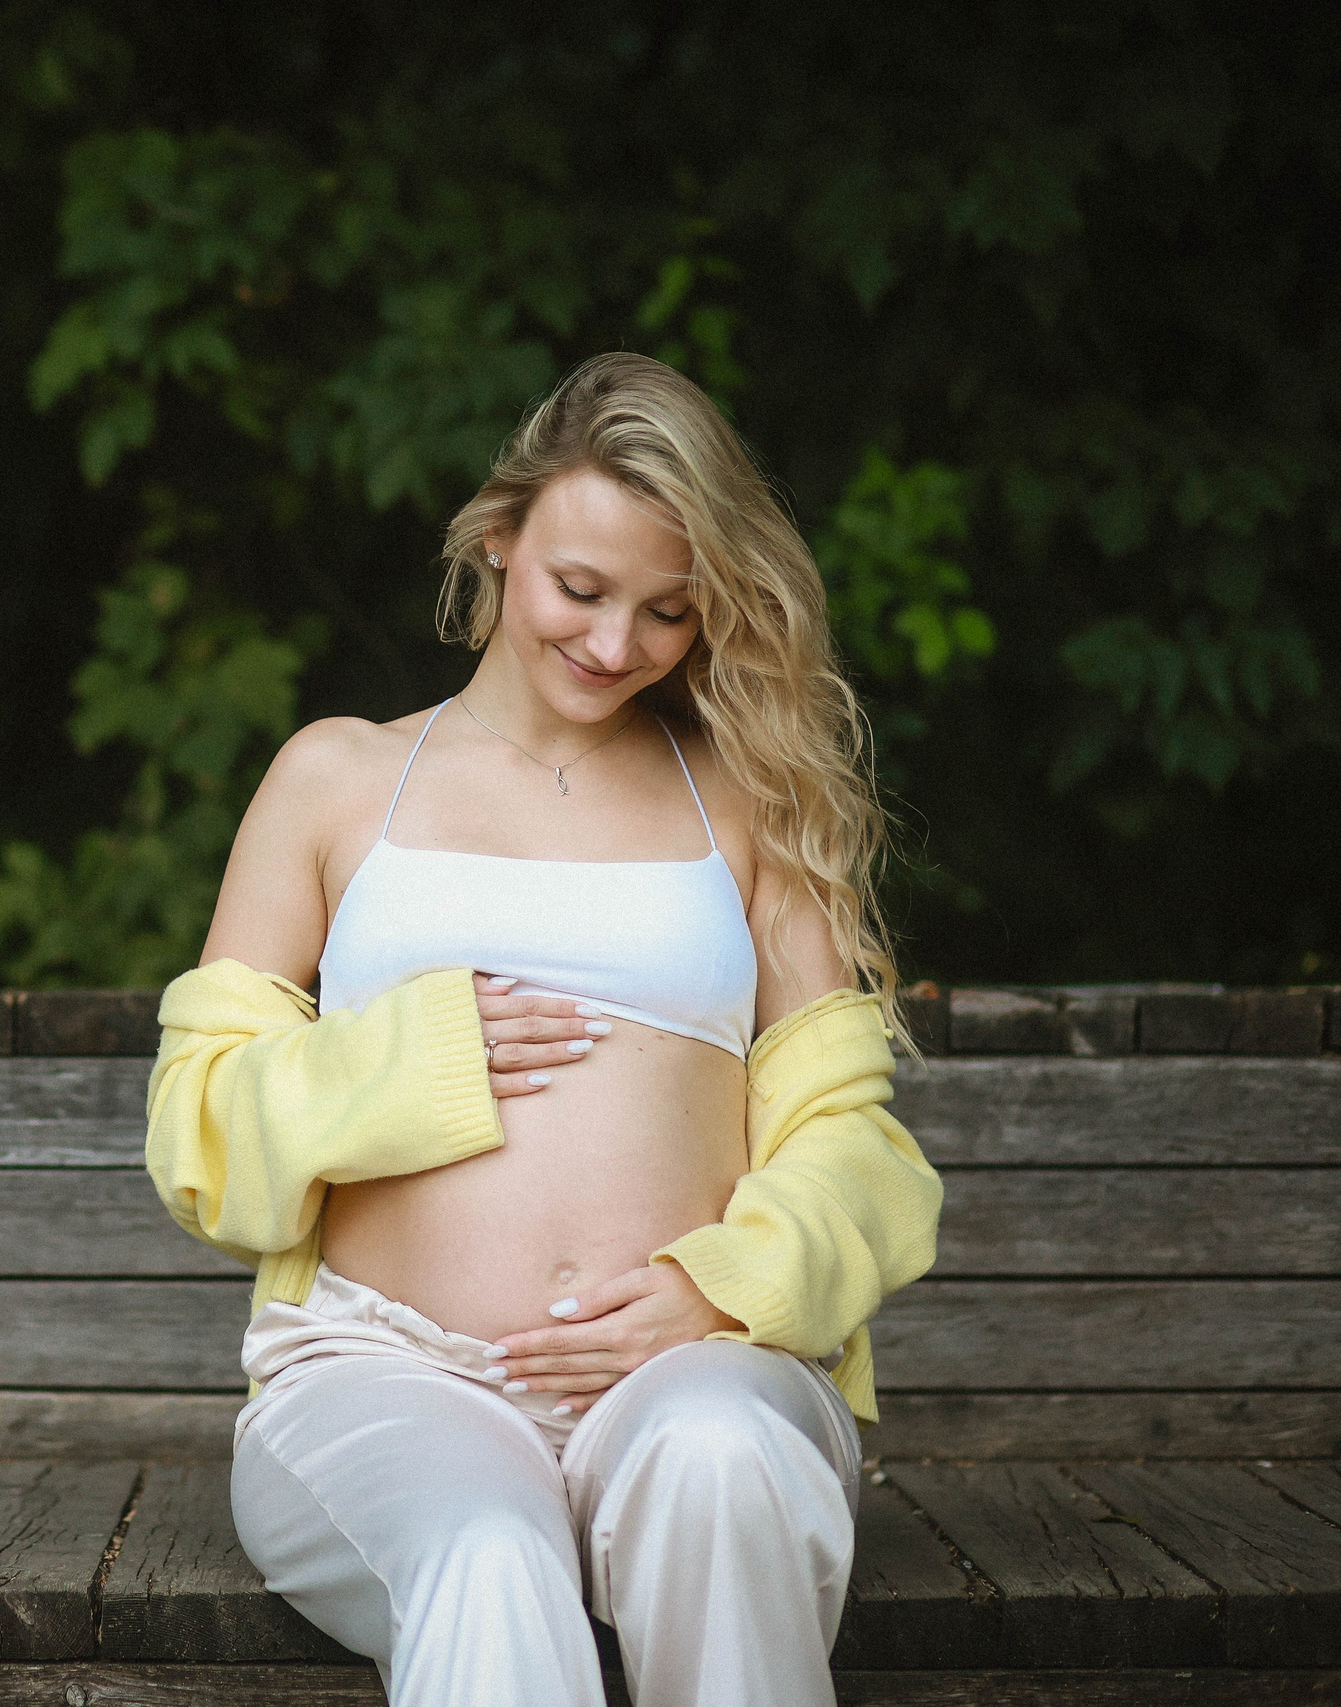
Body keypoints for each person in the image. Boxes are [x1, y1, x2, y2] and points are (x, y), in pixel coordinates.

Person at [144, 352, 942, 1707]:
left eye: (671, 613)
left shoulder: (750, 800)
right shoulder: (339, 779)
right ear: (500, 538)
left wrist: (725, 1290)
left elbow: (852, 1150)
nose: (616, 645)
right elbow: (198, 1131)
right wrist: (412, 1065)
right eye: (580, 590)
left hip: (699, 1366)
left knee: (723, 1470)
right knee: (490, 1554)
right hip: (385, 1370)